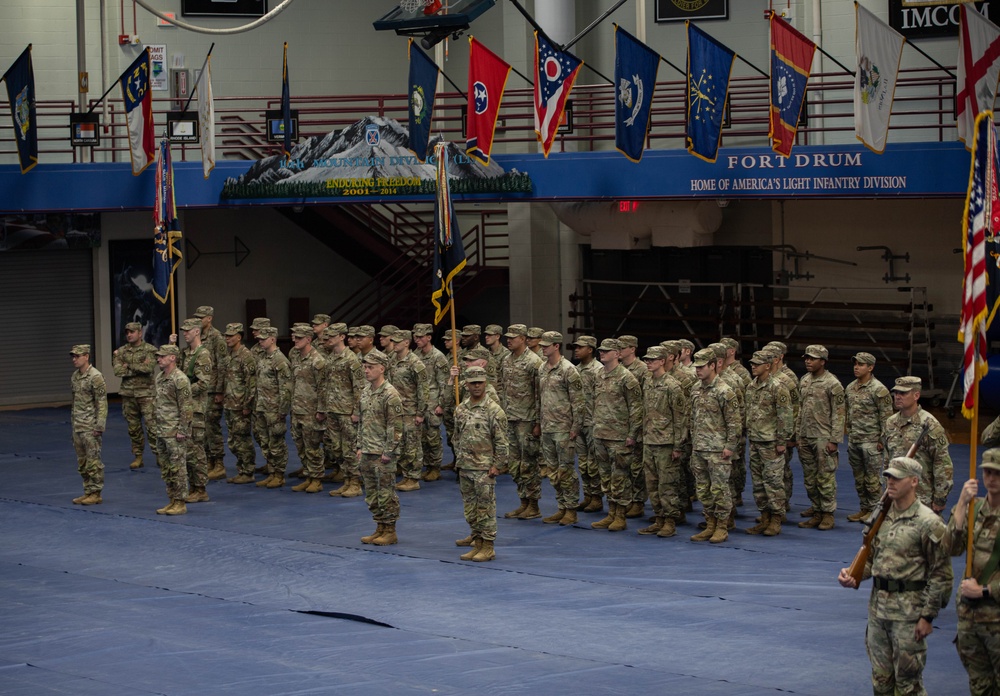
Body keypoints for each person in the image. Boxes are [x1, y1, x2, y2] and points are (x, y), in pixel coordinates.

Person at [838, 457, 953, 696]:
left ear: (914, 482)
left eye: (896, 478)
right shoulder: (881, 518)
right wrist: (853, 575)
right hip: (878, 611)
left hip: (908, 615)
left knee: (908, 686)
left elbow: (941, 574)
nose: (890, 482)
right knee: (881, 682)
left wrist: (928, 617)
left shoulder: (929, 522)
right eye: (888, 477)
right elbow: (872, 560)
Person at [946, 447, 1000, 696]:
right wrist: (961, 504)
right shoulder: (975, 510)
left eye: (997, 473)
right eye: (987, 472)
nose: (991, 478)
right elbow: (952, 547)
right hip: (970, 616)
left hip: (996, 616)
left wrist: (986, 590)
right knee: (979, 687)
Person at [453, 365, 508, 562]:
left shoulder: (494, 410)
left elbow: (502, 441)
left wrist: (498, 465)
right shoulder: (461, 409)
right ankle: (477, 543)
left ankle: (488, 546)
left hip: (484, 468)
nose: (477, 386)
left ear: (485, 383)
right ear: (466, 384)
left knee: (486, 508)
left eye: (480, 382)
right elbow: (456, 436)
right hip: (466, 466)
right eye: (472, 383)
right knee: (470, 508)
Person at [590, 338, 643, 532]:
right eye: (601, 351)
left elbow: (636, 408)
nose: (602, 353)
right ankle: (611, 512)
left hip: (619, 435)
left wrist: (632, 434)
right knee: (605, 476)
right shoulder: (598, 375)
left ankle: (620, 515)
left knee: (620, 476)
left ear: (617, 354)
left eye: (606, 351)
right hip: (601, 432)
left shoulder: (626, 378)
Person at [689, 348, 740, 543]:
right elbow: (693, 418)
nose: (698, 371)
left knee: (719, 490)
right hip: (700, 447)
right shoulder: (695, 389)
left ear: (713, 366)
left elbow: (734, 422)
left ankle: (722, 526)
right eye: (696, 367)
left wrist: (730, 446)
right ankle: (709, 524)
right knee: (703, 489)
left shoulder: (724, 391)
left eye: (702, 367)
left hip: (718, 449)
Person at [883, 376, 954, 514]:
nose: (897, 396)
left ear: (916, 395)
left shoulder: (929, 425)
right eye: (896, 393)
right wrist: (887, 489)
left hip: (922, 498)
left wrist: (940, 498)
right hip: (895, 496)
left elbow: (942, 464)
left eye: (903, 393)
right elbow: (887, 459)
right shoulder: (890, 423)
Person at [638, 345, 687, 538]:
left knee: (667, 485)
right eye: (647, 360)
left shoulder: (672, 386)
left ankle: (670, 521)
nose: (648, 363)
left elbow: (680, 418)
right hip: (650, 440)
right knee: (652, 484)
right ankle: (658, 518)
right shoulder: (647, 382)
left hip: (666, 443)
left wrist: (678, 446)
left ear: (662, 361)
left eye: (652, 360)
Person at [537, 331, 585, 526]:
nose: (543, 348)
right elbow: (540, 397)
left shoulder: (568, 370)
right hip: (547, 426)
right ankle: (562, 507)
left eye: (547, 345)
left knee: (566, 471)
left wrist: (576, 427)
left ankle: (571, 509)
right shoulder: (542, 368)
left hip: (564, 428)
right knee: (553, 471)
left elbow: (578, 402)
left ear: (557, 346)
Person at [356, 349, 403, 546]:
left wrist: (388, 451)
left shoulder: (390, 394)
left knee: (386, 494)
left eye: (371, 367)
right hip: (367, 449)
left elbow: (396, 427)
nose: (366, 371)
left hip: (383, 453)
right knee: (372, 494)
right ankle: (379, 526)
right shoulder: (366, 391)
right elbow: (361, 421)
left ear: (382, 368)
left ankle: (390, 530)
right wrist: (359, 445)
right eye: (365, 367)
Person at [743, 350, 792, 536]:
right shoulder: (751, 387)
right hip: (755, 440)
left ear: (768, 366)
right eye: (752, 363)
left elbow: (785, 416)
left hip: (771, 443)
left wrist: (782, 441)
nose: (753, 366)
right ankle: (764, 518)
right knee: (758, 484)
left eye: (757, 363)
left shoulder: (778, 387)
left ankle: (776, 519)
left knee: (773, 482)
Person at [797, 345, 845, 531]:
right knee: (810, 478)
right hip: (806, 435)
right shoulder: (805, 380)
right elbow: (800, 409)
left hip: (823, 437)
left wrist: (834, 439)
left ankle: (827, 514)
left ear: (823, 361)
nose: (808, 361)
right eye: (806, 358)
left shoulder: (833, 384)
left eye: (812, 358)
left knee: (825, 478)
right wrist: (797, 434)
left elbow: (839, 414)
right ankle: (816, 511)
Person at [500, 324, 543, 520]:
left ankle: (533, 505)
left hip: (527, 419)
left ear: (524, 339)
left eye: (513, 338)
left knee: (529, 464)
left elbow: (539, 394)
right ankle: (523, 502)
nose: (508, 340)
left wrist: (538, 422)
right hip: (511, 417)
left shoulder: (534, 362)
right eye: (507, 337)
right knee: (515, 464)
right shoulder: (506, 360)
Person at [845, 352, 892, 522]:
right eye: (855, 364)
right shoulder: (850, 387)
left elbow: (886, 417)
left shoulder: (879, 390)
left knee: (872, 479)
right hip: (855, 439)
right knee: (859, 479)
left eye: (861, 364)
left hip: (872, 441)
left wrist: (882, 440)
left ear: (870, 368)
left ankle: (874, 511)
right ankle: (864, 508)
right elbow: (849, 414)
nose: (856, 367)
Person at [173, 318, 214, 503]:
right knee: (187, 450)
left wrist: (184, 391)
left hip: (196, 408)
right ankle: (193, 485)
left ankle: (200, 488)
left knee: (196, 449)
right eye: (184, 330)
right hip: (185, 407)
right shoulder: (185, 353)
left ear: (197, 331)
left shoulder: (202, 355)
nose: (185, 333)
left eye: (188, 330)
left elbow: (203, 383)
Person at [322, 323, 364, 497]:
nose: (328, 339)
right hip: (332, 409)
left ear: (342, 337)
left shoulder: (351, 359)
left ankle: (355, 482)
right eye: (327, 336)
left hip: (347, 411)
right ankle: (346, 480)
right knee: (336, 448)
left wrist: (356, 411)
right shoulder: (330, 358)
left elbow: (358, 388)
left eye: (332, 336)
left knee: (350, 448)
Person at [153, 344, 193, 515]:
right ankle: (172, 499)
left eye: (162, 356)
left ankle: (180, 502)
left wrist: (183, 430)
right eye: (158, 356)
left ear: (172, 358)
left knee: (178, 467)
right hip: (162, 429)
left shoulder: (180, 379)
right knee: (166, 467)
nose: (158, 359)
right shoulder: (160, 377)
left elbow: (186, 408)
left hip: (175, 431)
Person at [388, 329, 430, 492]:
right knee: (401, 444)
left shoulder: (415, 363)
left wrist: (420, 413)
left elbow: (423, 389)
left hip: (411, 410)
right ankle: (406, 475)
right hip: (397, 410)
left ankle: (413, 477)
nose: (395, 344)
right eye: (394, 341)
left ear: (407, 343)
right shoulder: (392, 359)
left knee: (413, 446)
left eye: (398, 342)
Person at [111, 321, 156, 469]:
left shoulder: (150, 350)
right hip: (128, 395)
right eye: (127, 332)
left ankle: (159, 455)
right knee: (133, 428)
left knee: (152, 427)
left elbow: (148, 368)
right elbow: (118, 371)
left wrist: (128, 365)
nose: (129, 335)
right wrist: (138, 367)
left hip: (147, 394)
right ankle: (138, 456)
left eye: (132, 332)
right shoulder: (121, 351)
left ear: (140, 333)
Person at [290, 324, 327, 493]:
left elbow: (323, 388)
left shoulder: (317, 361)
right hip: (297, 408)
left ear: (308, 339)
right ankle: (308, 475)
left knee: (312, 446)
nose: (294, 340)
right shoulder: (294, 356)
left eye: (299, 338)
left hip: (311, 411)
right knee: (300, 445)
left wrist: (321, 410)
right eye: (294, 337)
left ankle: (317, 478)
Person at [254, 326, 292, 489]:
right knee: (265, 441)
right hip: (262, 406)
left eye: (263, 339)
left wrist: (283, 410)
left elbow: (286, 388)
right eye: (260, 339)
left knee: (276, 442)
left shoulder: (280, 360)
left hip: (274, 408)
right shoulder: (263, 357)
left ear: (272, 339)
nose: (260, 341)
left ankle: (279, 474)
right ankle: (271, 471)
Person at [70, 344, 107, 505]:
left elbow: (102, 403)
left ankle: (96, 492)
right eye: (73, 356)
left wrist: (99, 425)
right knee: (82, 462)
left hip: (90, 425)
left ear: (86, 356)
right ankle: (87, 490)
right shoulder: (75, 376)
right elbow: (75, 401)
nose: (74, 359)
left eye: (77, 356)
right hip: (78, 424)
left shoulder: (96, 376)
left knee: (93, 461)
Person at [195, 306, 228, 481]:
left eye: (202, 317)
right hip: (202, 389)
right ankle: (209, 460)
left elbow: (222, 365)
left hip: (213, 389)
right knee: (203, 427)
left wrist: (220, 390)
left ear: (209, 319)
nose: (199, 320)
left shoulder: (217, 338)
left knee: (212, 426)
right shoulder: (198, 337)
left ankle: (219, 463)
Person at [572, 336, 604, 514]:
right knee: (583, 463)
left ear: (590, 349)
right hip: (580, 421)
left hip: (594, 421)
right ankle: (588, 495)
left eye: (580, 347)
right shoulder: (576, 370)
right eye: (576, 347)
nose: (576, 350)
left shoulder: (598, 370)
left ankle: (597, 498)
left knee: (594, 463)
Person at [222, 323, 257, 484]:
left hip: (240, 405)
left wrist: (247, 405)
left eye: (230, 335)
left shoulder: (246, 356)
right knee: (233, 441)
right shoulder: (229, 355)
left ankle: (248, 471)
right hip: (230, 403)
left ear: (239, 337)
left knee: (243, 439)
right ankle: (241, 469)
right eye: (226, 335)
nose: (227, 338)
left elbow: (251, 383)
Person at [414, 323, 448, 482]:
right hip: (420, 403)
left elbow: (444, 383)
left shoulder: (438, 357)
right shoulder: (416, 355)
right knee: (422, 437)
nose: (417, 339)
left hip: (433, 402)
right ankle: (427, 465)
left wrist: (441, 404)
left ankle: (435, 467)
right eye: (416, 336)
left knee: (433, 436)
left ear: (429, 337)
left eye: (421, 337)